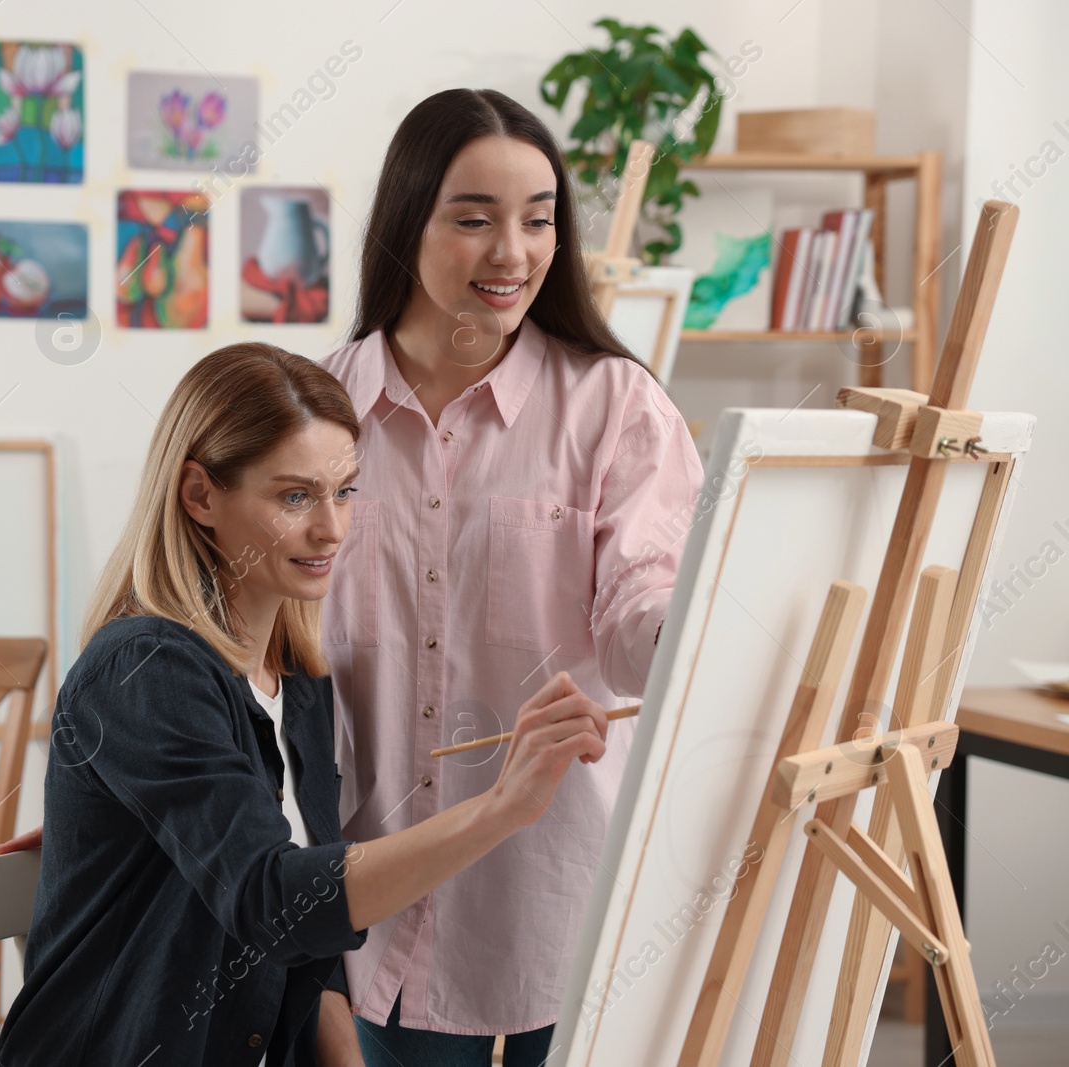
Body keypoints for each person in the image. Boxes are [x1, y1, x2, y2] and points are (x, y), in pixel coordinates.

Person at [0, 343, 610, 1066]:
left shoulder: (300, 681)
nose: (332, 528)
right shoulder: (146, 670)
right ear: (199, 495)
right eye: (295, 496)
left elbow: (307, 950)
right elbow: (276, 904)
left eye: (345, 490)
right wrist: (502, 806)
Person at [318, 89, 704, 1066]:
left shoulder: (613, 406)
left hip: (551, 916)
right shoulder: (321, 409)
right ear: (409, 221)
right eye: (474, 219)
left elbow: (637, 605)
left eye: (538, 220)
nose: (513, 253)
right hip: (366, 908)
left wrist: (702, 630)